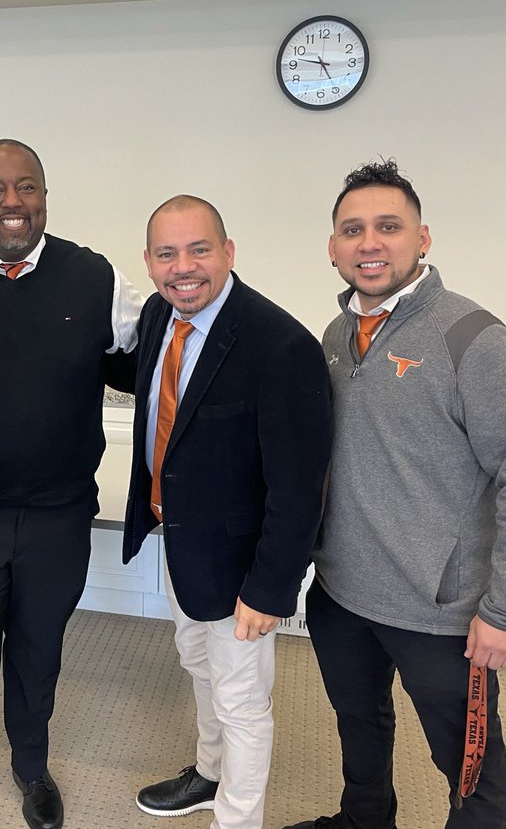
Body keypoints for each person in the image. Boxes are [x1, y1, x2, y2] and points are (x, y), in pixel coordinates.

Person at [283, 160, 506, 829]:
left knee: (469, 769)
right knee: (360, 730)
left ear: (423, 239)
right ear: (332, 248)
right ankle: (365, 820)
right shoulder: (334, 338)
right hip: (343, 596)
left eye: (389, 226)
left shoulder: (474, 340)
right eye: (352, 230)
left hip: (440, 613)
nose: (370, 243)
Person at [0, 138, 143, 829]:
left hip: (57, 516)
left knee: (38, 653)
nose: (12, 203)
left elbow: (156, 352)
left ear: (44, 194)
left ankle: (31, 766)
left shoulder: (95, 278)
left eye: (26, 187)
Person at [121, 195, 333, 829]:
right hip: (182, 547)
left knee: (242, 701)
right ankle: (209, 776)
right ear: (151, 263)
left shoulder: (280, 344)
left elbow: (300, 488)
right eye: (167, 253)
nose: (184, 267)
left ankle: (237, 819)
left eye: (199, 249)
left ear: (229, 252)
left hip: (243, 571)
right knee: (197, 667)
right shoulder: (161, 316)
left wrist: (271, 588)